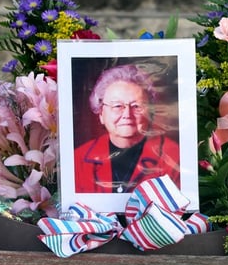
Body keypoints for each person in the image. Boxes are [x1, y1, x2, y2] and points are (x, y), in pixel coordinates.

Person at [74, 64, 180, 193]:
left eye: (136, 106)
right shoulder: (78, 159)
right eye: (117, 106)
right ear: (101, 113)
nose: (127, 115)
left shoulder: (173, 156)